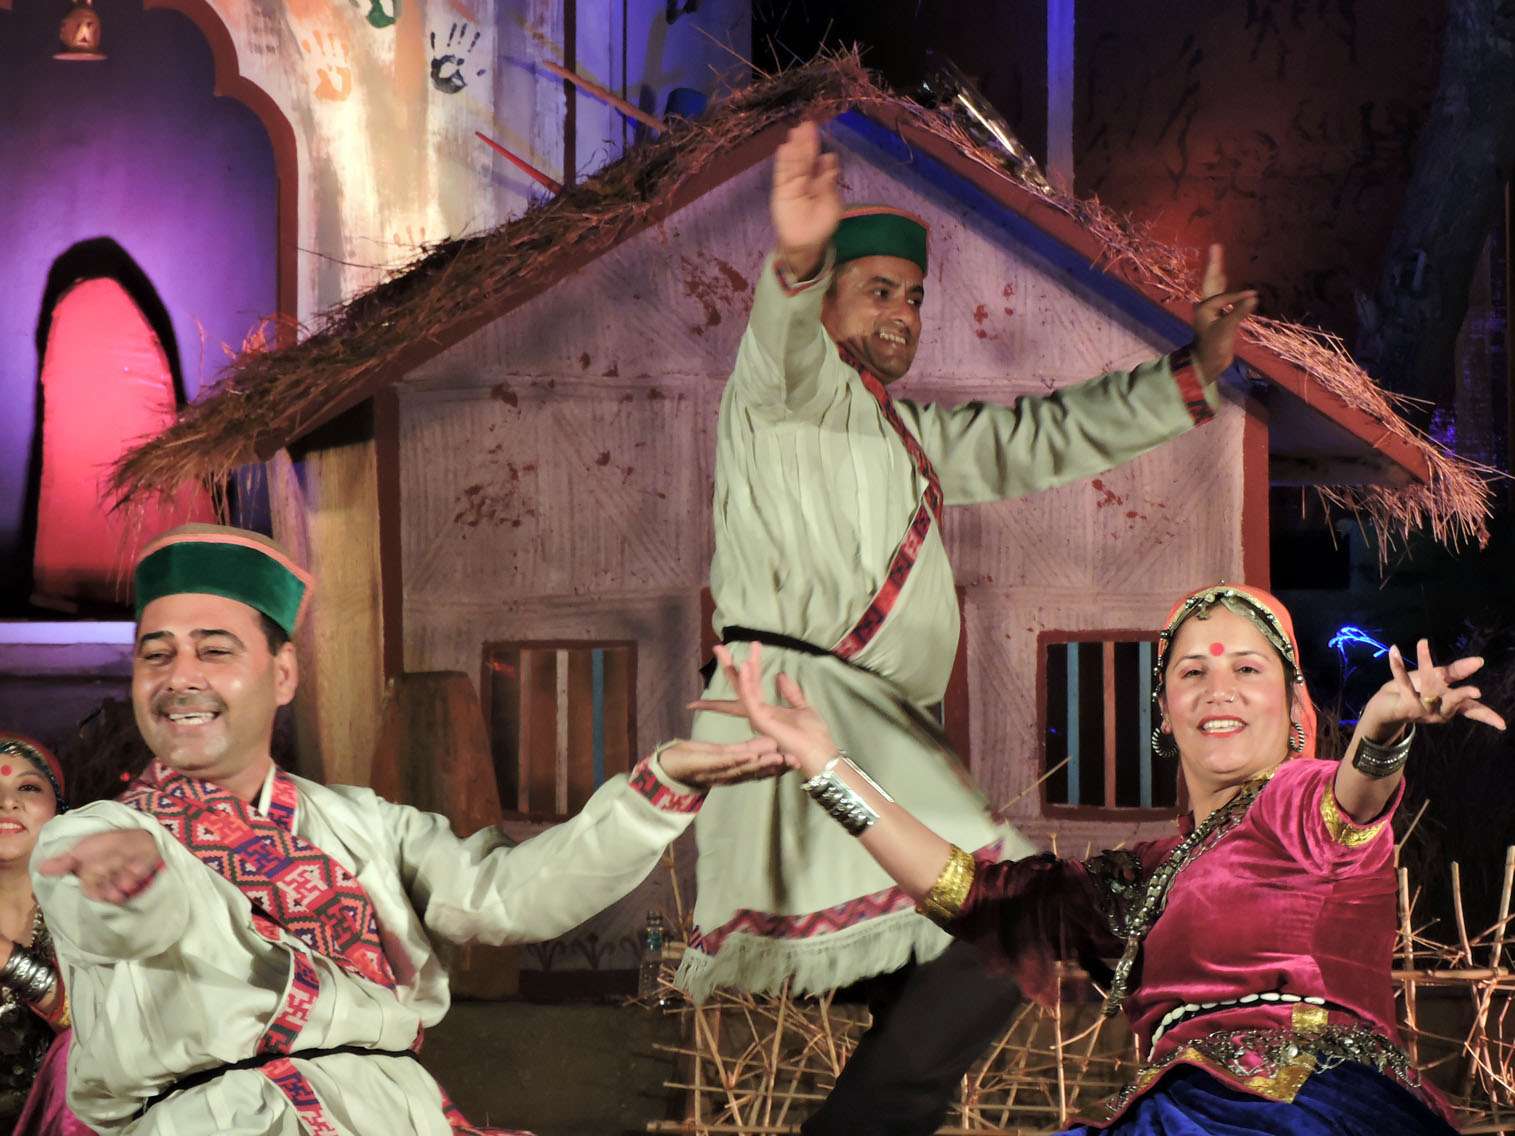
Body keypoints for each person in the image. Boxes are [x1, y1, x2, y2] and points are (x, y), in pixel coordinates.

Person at [678, 117, 1259, 1132]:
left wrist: (1193, 370)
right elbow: (779, 338)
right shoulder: (780, 397)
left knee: (963, 951)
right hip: (808, 718)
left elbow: (1042, 436)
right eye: (877, 290)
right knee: (1007, 922)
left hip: (873, 739)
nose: (902, 312)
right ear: (825, 303)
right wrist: (798, 261)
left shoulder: (907, 435)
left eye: (912, 295)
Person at [31, 523, 790, 1135]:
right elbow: (120, 919)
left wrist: (662, 787)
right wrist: (132, 879)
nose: (180, 677)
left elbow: (504, 897)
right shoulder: (90, 836)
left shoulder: (365, 823)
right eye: (156, 655)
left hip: (393, 1111)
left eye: (214, 650)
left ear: (283, 674)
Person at [703, 582, 1504, 1133]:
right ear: (1165, 711)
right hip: (1175, 1111)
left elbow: (1357, 794)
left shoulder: (1300, 802)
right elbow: (970, 892)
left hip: (1305, 1108)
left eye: (1246, 669)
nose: (1217, 688)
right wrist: (825, 768)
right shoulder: (1142, 877)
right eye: (1192, 671)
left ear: (1294, 708)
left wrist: (1384, 729)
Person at [0, 734, 86, 1136]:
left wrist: (7, 959)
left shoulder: (88, 908)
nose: (7, 803)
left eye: (28, 788)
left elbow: (105, 1028)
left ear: (59, 811)